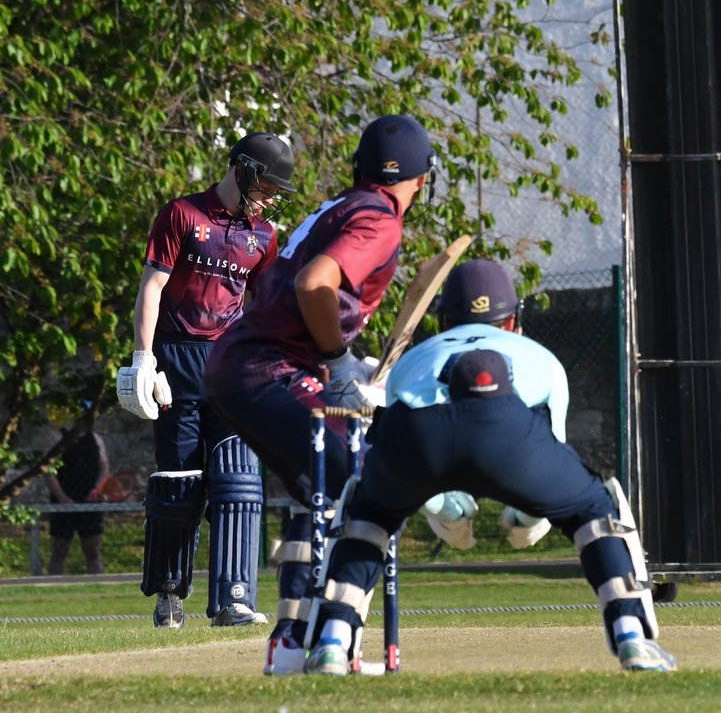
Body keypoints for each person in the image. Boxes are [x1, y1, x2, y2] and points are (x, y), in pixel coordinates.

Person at [272, 259, 675, 676]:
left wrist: (448, 512)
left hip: (419, 435)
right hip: (509, 428)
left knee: (368, 513)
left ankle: (333, 643)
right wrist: (523, 517)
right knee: (595, 507)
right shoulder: (542, 358)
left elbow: (409, 450)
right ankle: (632, 637)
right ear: (514, 320)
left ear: (444, 319)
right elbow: (547, 453)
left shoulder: (415, 358)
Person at [204, 114, 435, 673]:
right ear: (424, 179)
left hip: (239, 361)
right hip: (270, 368)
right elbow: (314, 285)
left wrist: (335, 360)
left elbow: (278, 286)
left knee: (322, 488)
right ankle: (332, 636)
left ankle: (289, 641)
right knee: (362, 481)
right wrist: (337, 363)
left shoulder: (337, 208)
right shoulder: (379, 220)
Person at [116, 132, 296, 628]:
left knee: (238, 479)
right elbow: (151, 287)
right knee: (179, 480)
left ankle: (234, 599)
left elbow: (263, 308)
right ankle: (170, 592)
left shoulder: (263, 235)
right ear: (241, 169)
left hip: (231, 364)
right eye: (268, 183)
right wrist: (144, 359)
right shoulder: (182, 215)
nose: (272, 195)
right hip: (176, 359)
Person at [43, 429, 109, 575]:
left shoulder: (95, 438)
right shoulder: (56, 437)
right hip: (63, 503)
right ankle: (53, 589)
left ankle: (98, 588)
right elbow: (48, 470)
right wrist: (62, 497)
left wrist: (96, 490)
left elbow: (104, 467)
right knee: (59, 550)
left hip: (90, 503)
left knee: (93, 550)